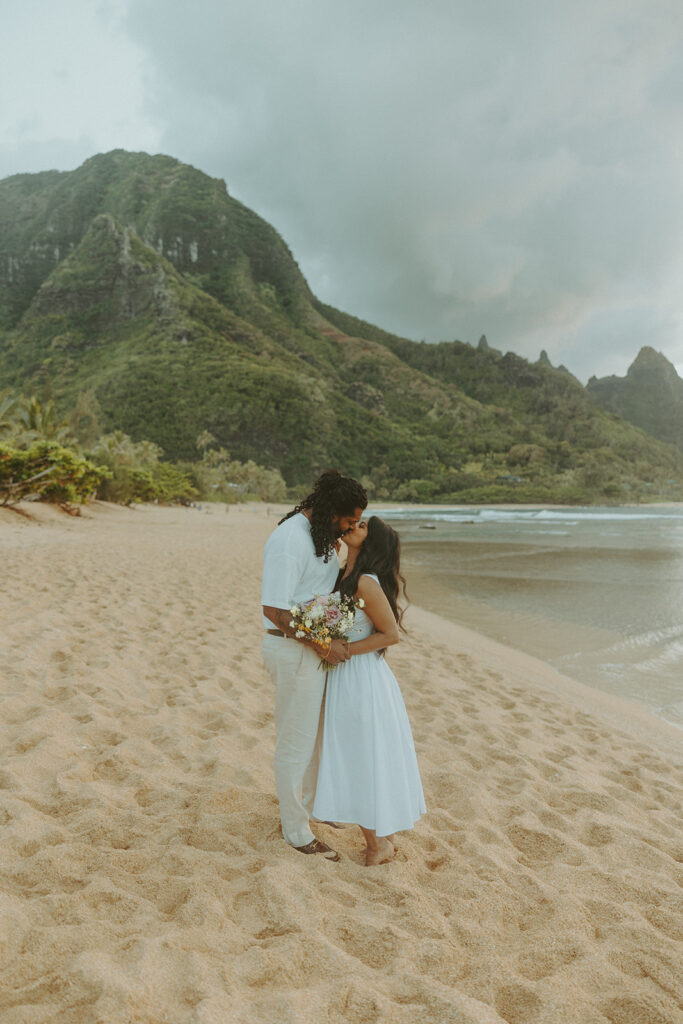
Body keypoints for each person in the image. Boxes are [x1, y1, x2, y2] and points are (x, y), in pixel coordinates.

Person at [261, 470, 368, 860]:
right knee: (296, 742)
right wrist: (323, 645)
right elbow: (273, 608)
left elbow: (321, 592)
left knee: (316, 737)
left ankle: (307, 809)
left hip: (311, 648)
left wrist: (352, 549)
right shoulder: (290, 540)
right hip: (291, 650)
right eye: (349, 520)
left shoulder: (322, 537)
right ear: (330, 510)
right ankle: (294, 830)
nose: (352, 527)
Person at [313, 516, 426, 865]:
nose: (353, 525)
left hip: (362, 678)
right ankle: (383, 838)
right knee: (358, 755)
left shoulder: (365, 582)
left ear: (370, 540)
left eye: (361, 524)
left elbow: (390, 634)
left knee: (362, 756)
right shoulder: (344, 573)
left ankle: (377, 844)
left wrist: (343, 650)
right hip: (347, 677)